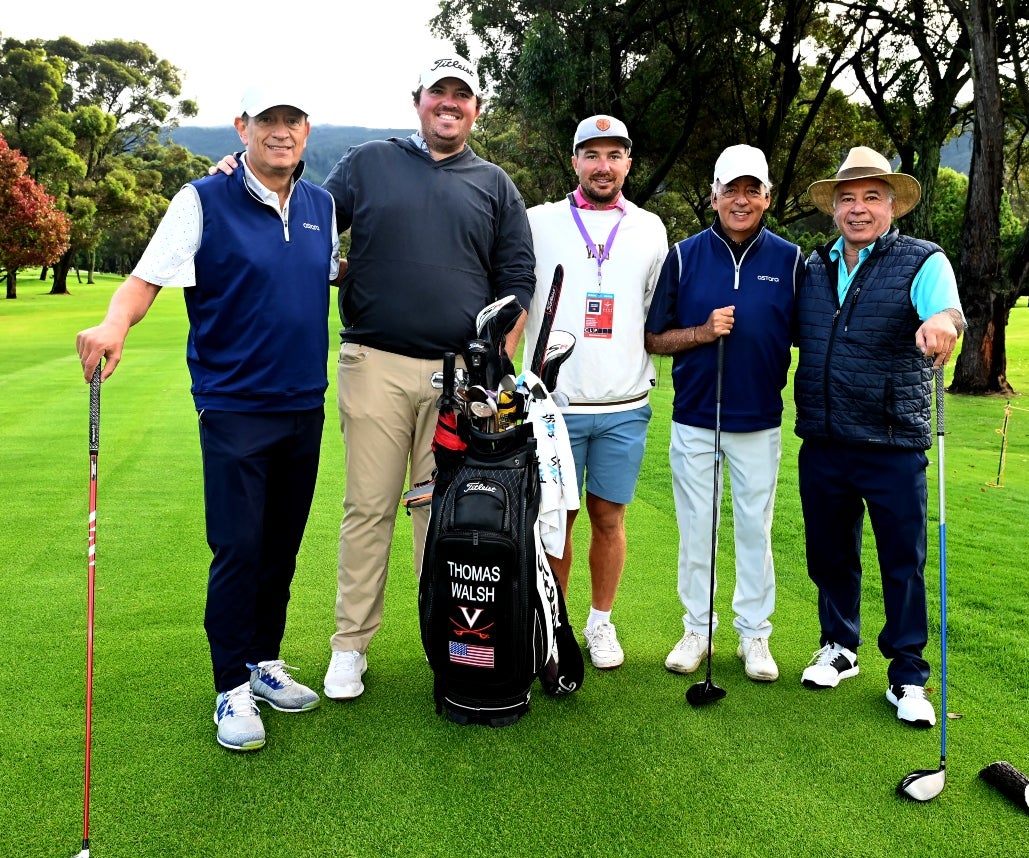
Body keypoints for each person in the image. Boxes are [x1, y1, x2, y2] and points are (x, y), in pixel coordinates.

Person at [212, 53, 536, 699]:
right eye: (438, 93)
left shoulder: (495, 183)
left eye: (462, 96)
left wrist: (493, 373)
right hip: (375, 364)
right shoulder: (367, 162)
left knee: (441, 514)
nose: (450, 104)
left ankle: (447, 640)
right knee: (368, 508)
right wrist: (238, 174)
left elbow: (517, 282)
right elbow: (303, 219)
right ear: (418, 99)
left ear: (476, 108)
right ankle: (349, 647)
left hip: (460, 378)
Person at [75, 84, 341, 751]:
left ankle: (263, 661)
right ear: (241, 127)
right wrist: (113, 323)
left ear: (307, 129)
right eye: (267, 119)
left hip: (303, 401)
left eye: (292, 119)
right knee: (239, 546)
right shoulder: (201, 200)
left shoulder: (321, 205)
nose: (281, 131)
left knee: (280, 545)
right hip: (232, 404)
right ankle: (231, 688)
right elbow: (146, 278)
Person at [794, 146, 965, 727]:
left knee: (902, 560)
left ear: (892, 205)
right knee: (830, 553)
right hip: (824, 440)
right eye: (848, 198)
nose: (859, 208)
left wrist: (942, 323)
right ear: (833, 208)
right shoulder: (814, 268)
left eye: (871, 197)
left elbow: (945, 313)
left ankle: (908, 675)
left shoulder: (923, 260)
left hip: (892, 441)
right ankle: (839, 647)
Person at [645, 145, 802, 682]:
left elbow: (811, 333)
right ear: (712, 195)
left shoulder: (791, 259)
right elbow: (654, 337)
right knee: (697, 530)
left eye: (751, 189)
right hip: (694, 416)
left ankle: (754, 635)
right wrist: (702, 332)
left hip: (759, 420)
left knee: (756, 530)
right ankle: (697, 627)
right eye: (730, 189)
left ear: (767, 197)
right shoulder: (685, 255)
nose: (740, 200)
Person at [522, 115, 669, 670]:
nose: (603, 166)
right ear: (574, 160)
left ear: (629, 163)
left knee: (609, 518)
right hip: (553, 407)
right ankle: (551, 624)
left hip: (625, 405)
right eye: (592, 155)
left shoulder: (651, 229)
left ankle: (600, 623)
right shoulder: (538, 222)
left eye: (614, 155)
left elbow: (659, 310)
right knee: (555, 522)